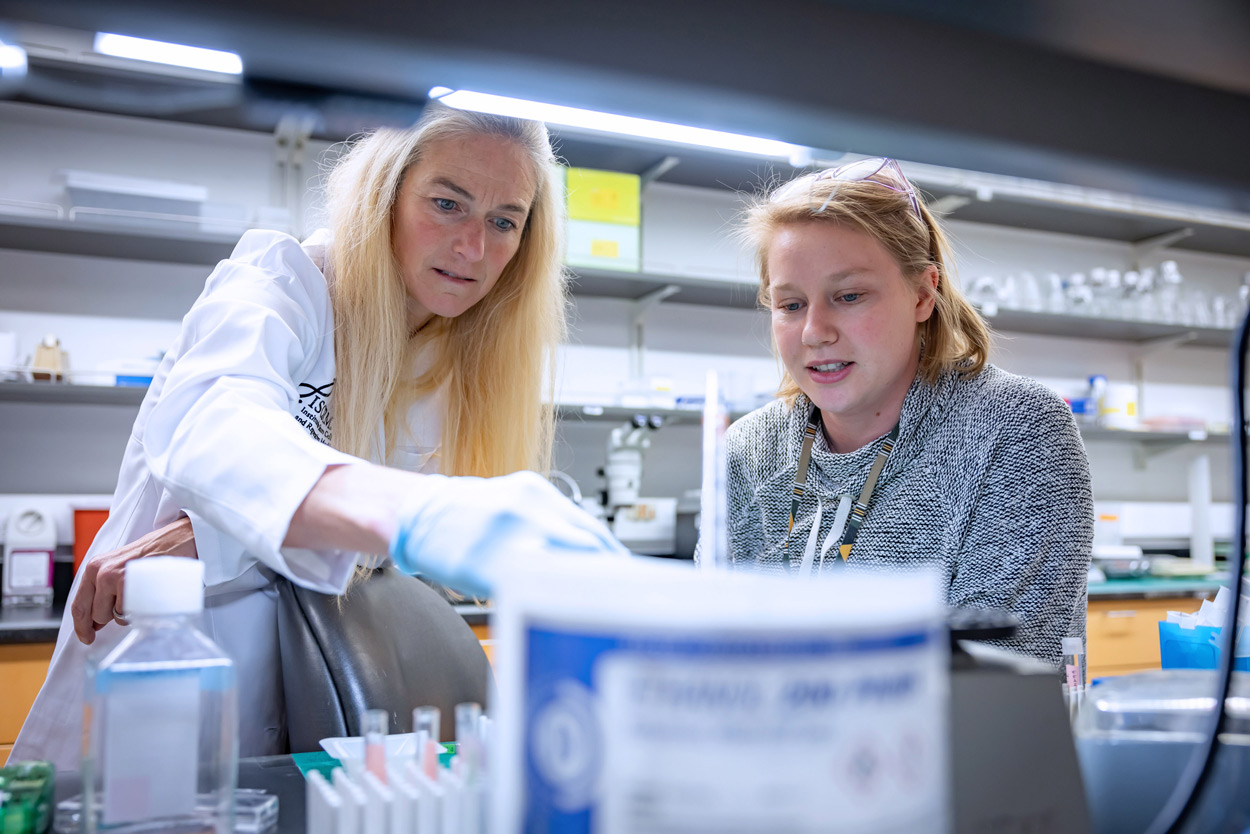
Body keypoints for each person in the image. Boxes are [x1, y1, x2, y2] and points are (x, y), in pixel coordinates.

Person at [14, 105, 626, 770]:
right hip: (153, 697)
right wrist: (416, 512)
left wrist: (210, 534)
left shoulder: (455, 363)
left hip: (298, 730)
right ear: (386, 194)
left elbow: (361, 562)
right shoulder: (285, 284)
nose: (474, 247)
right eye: (448, 203)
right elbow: (213, 426)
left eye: (504, 220)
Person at [699, 158, 1092, 665]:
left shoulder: (1018, 431)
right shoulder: (747, 449)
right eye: (790, 305)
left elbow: (996, 687)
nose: (814, 331)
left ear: (924, 294)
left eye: (849, 295)